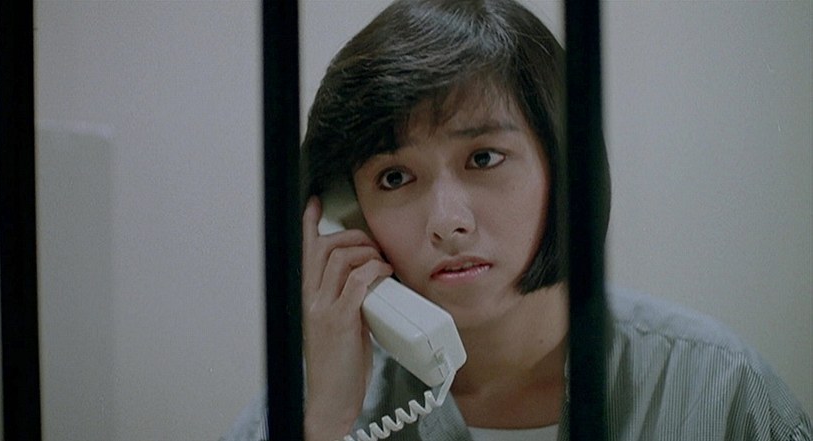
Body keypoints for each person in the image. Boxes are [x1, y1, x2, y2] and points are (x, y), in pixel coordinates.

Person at [223, 0, 811, 440]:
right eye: (395, 177)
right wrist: (326, 422)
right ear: (348, 213)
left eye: (483, 158)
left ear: (563, 165)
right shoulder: (303, 410)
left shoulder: (720, 389)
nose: (447, 222)